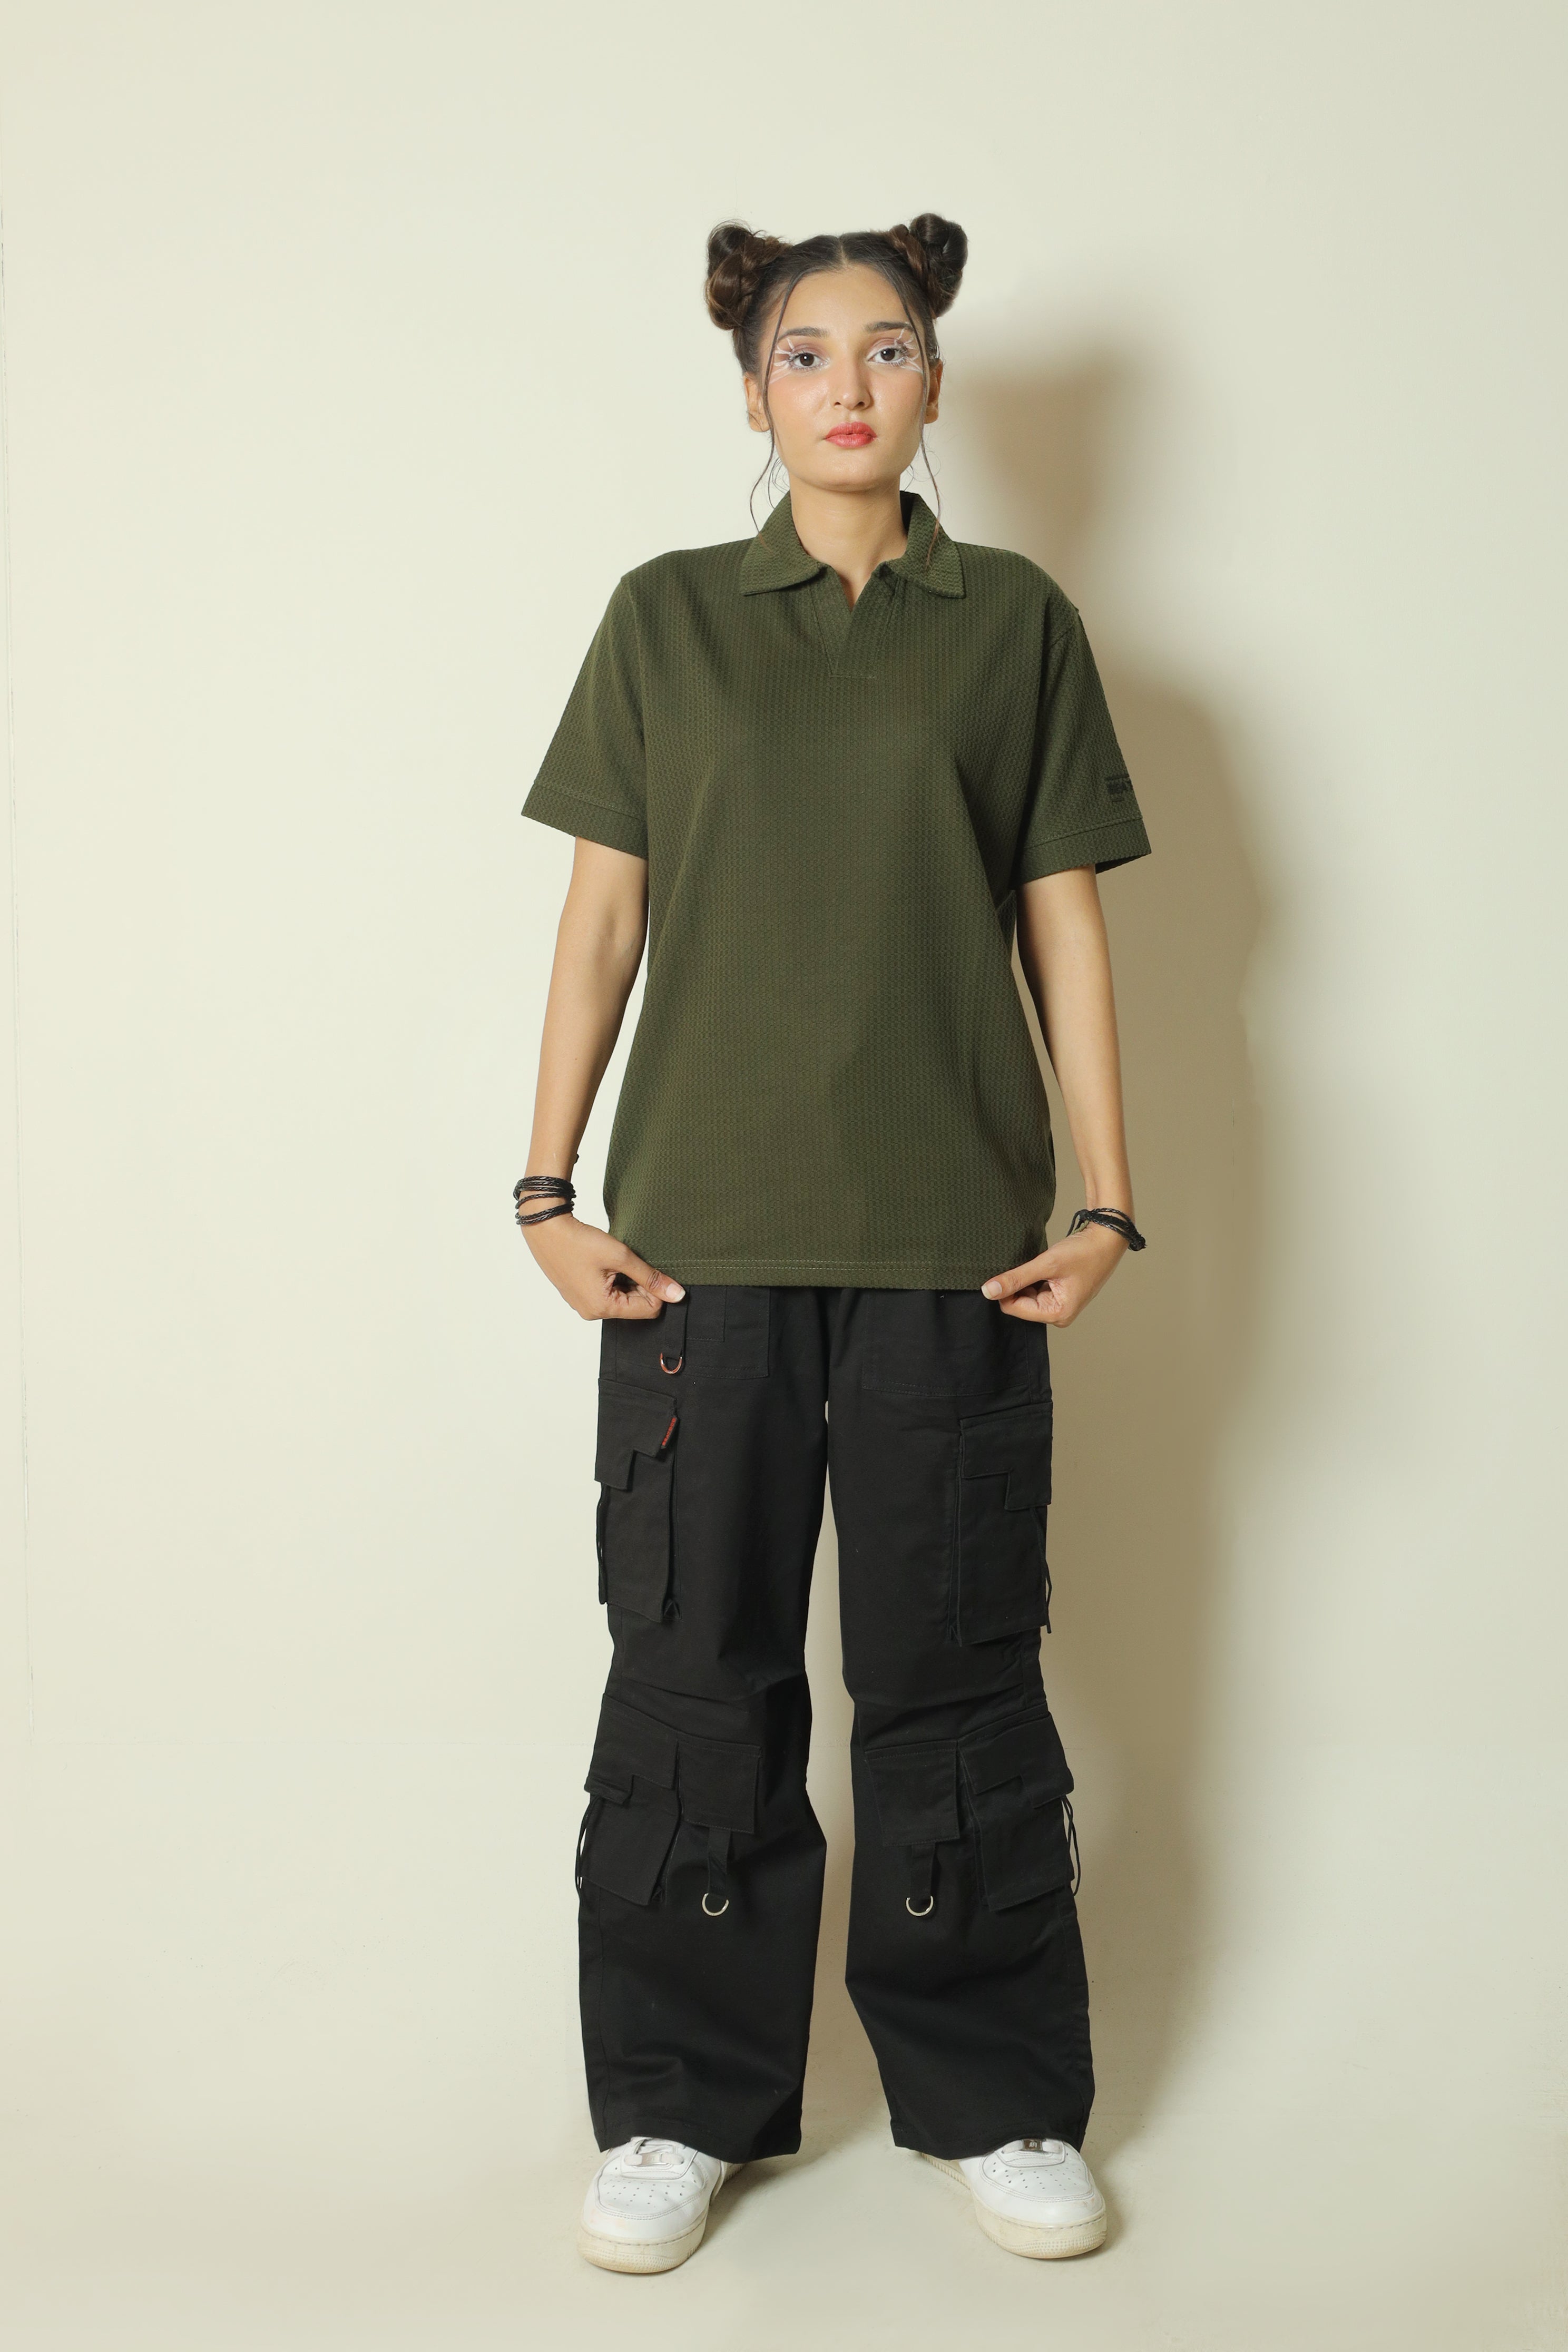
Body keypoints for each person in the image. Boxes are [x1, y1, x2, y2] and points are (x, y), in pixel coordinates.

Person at [516, 214, 1150, 2273]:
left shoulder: (1014, 624)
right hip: (695, 1254)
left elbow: (1065, 921)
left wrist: (1107, 1199)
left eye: (888, 349)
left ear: (936, 383)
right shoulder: (665, 619)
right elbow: (600, 922)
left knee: (952, 1680)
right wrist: (545, 1189)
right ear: (754, 393)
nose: (849, 386)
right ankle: (679, 2106)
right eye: (807, 354)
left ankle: (994, 2094)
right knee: (693, 1679)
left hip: (949, 1246)